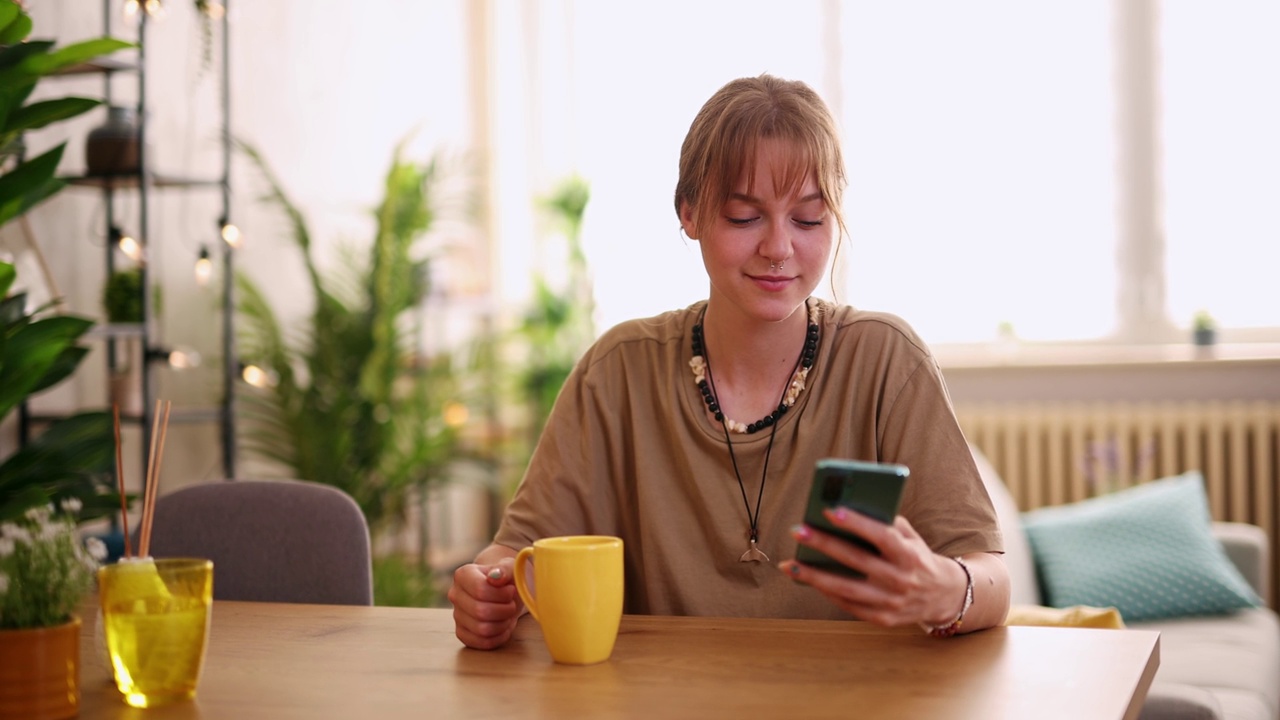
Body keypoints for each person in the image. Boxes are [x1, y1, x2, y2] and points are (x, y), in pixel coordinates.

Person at [449, 73, 1010, 649]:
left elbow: (991, 578)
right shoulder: (617, 371)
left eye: (809, 218)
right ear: (689, 213)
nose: (779, 248)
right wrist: (489, 590)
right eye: (745, 216)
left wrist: (946, 588)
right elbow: (518, 554)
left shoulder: (885, 359)